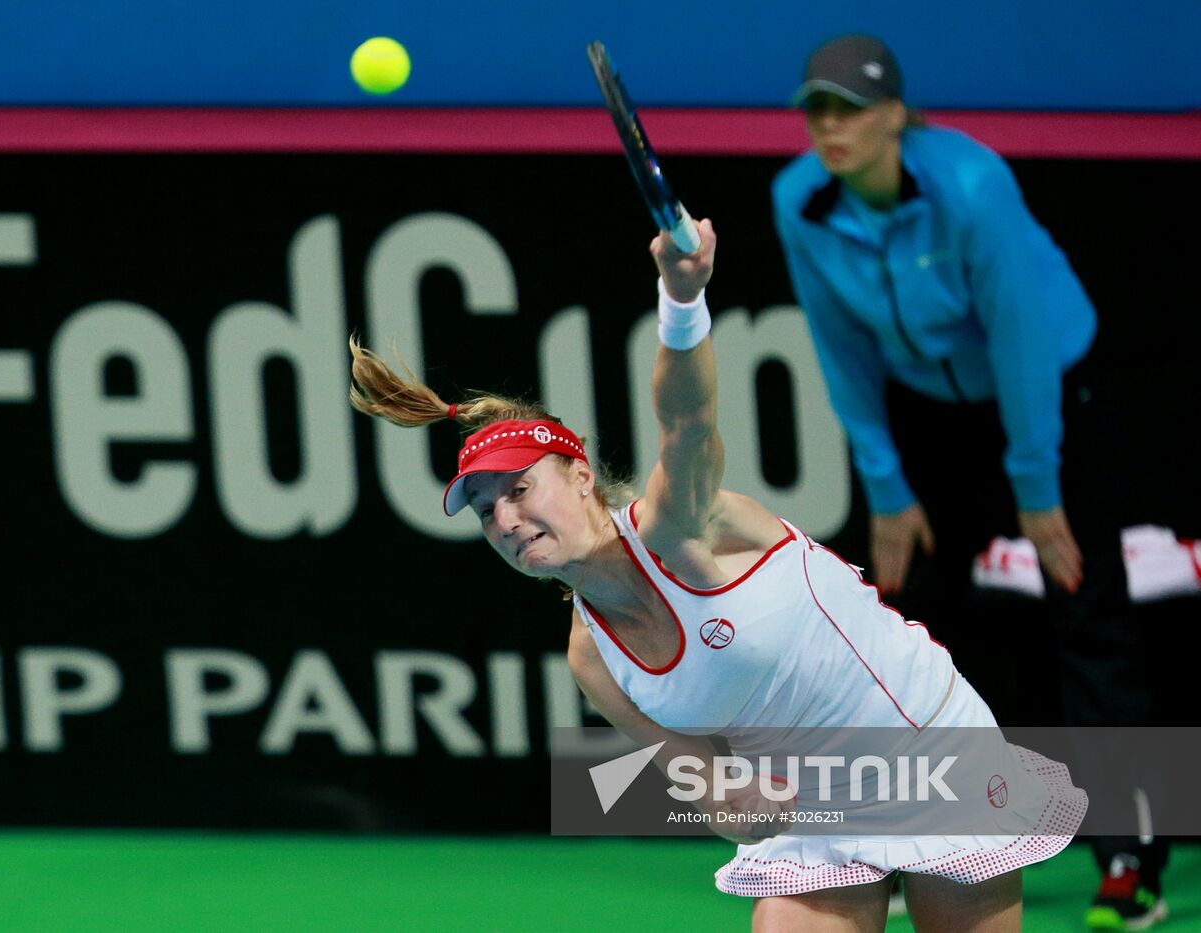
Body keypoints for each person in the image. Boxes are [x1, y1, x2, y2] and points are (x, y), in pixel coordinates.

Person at [348, 218, 1085, 932]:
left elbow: (687, 419)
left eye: (519, 490)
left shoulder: (681, 525)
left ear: (579, 476)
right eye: (484, 510)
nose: (504, 520)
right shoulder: (592, 655)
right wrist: (728, 794)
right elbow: (703, 781)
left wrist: (682, 297)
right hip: (814, 808)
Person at [769, 33, 1170, 930]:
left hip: (1051, 400)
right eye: (816, 111)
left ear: (895, 115)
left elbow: (1021, 339)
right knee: (919, 625)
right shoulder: (800, 202)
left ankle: (1130, 860)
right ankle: (937, 843)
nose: (830, 128)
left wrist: (1036, 487)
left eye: (850, 109)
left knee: (1085, 611)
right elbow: (841, 348)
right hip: (927, 416)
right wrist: (886, 486)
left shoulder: (973, 187)